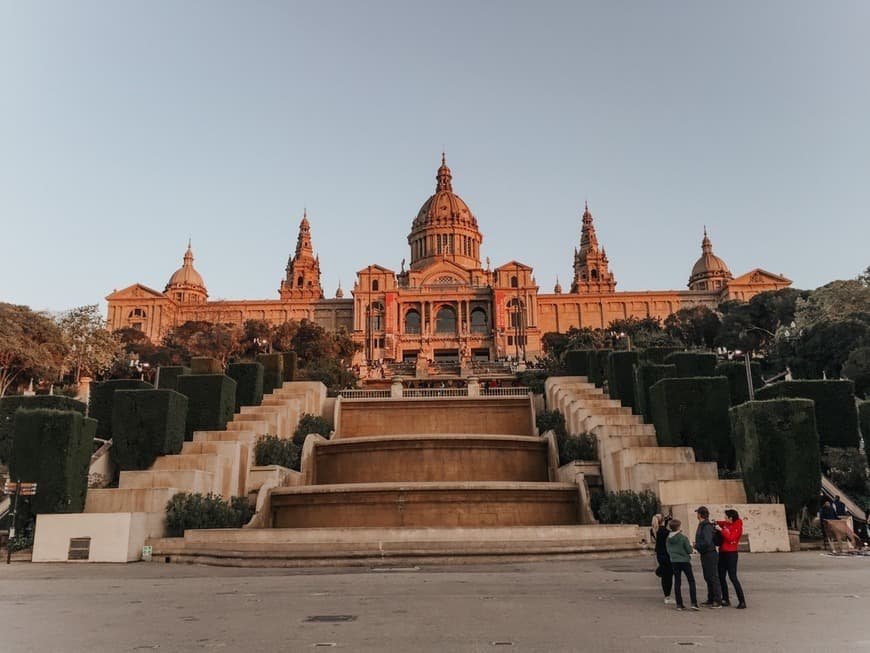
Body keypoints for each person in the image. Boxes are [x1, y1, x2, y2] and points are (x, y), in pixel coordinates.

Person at [715, 509, 746, 609]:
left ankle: (742, 601)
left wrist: (721, 530)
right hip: (723, 552)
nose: (724, 519)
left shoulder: (737, 527)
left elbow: (731, 538)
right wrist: (715, 522)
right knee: (721, 576)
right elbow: (721, 523)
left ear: (731, 518)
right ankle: (725, 598)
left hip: (731, 553)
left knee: (733, 577)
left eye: (726, 517)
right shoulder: (727, 524)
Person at [665, 518, 698, 611]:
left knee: (677, 582)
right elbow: (689, 550)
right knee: (691, 581)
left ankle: (679, 604)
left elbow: (668, 550)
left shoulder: (668, 538)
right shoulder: (683, 538)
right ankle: (694, 603)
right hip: (684, 561)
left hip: (674, 561)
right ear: (679, 527)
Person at [694, 506, 723, 608]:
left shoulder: (706, 526)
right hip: (705, 553)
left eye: (697, 513)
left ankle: (717, 600)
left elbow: (707, 541)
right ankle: (711, 598)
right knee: (708, 577)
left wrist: (697, 545)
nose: (696, 515)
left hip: (709, 554)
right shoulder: (703, 525)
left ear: (700, 514)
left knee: (712, 577)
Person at [651, 514, 674, 604]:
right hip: (666, 554)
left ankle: (667, 596)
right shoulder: (664, 531)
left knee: (665, 573)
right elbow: (668, 533)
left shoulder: (654, 530)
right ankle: (667, 596)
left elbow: (662, 529)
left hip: (660, 554)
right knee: (668, 576)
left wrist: (666, 521)